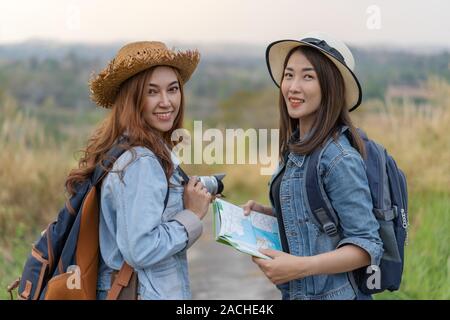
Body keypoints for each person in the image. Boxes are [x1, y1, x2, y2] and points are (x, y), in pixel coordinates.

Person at [65, 41, 211, 299]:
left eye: (173, 89)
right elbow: (141, 249)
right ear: (132, 98)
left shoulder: (122, 148)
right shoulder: (140, 161)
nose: (166, 102)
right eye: (152, 92)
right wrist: (192, 214)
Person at [243, 33, 384, 300]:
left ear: (330, 87)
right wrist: (267, 213)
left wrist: (299, 268)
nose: (293, 87)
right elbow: (314, 218)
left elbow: (367, 245)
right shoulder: (296, 146)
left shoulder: (339, 158)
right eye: (289, 75)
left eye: (308, 77)